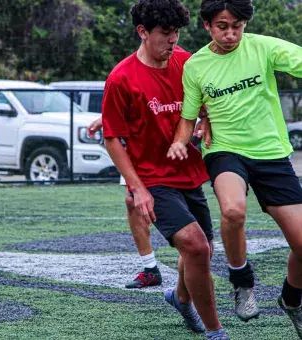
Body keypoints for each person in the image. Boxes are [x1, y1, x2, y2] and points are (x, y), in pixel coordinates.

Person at [167, 0, 302, 336]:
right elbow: (189, 116)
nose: (231, 34)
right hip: (225, 151)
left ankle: (292, 300)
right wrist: (179, 141)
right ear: (207, 26)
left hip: (271, 155)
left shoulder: (264, 47)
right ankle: (242, 281)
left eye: (237, 26)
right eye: (223, 26)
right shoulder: (196, 66)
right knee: (233, 210)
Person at [102, 1, 228, 339]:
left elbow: (207, 105)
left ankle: (180, 297)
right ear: (143, 32)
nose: (172, 40)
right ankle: (216, 332)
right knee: (197, 247)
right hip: (153, 180)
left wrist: (206, 121)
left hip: (189, 173)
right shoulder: (121, 78)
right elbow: (112, 138)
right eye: (164, 33)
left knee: (203, 252)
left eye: (176, 33)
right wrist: (137, 188)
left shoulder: (188, 63)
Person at [88, 117, 163, 289]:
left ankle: (199, 256)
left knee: (178, 195)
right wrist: (106, 118)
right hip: (139, 140)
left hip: (167, 133)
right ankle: (150, 268)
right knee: (131, 200)